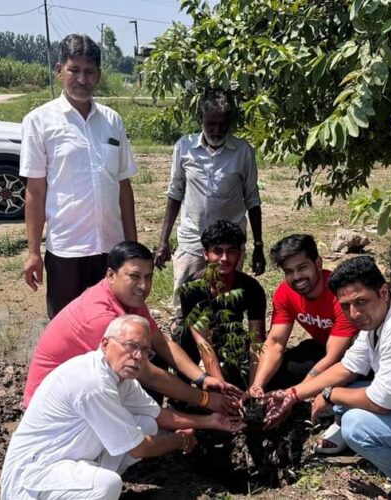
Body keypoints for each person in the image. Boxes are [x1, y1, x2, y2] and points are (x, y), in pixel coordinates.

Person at [265, 256, 391, 499]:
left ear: (383, 292)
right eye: (345, 306)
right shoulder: (379, 315)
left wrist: (330, 395)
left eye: (361, 301)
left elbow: (381, 403)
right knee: (346, 406)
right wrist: (292, 394)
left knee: (356, 426)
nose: (354, 313)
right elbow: (347, 367)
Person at [1, 315, 244, 500]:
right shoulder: (92, 382)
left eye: (145, 352)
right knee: (107, 485)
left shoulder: (122, 377)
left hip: (71, 457)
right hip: (32, 477)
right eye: (131, 346)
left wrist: (212, 421)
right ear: (106, 344)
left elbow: (161, 416)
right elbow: (139, 448)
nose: (138, 357)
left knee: (146, 424)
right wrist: (179, 441)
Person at [23, 241, 242, 417]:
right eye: (134, 276)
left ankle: (146, 424)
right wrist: (204, 399)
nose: (144, 286)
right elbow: (148, 376)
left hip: (82, 389)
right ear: (111, 275)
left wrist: (202, 378)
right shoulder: (101, 317)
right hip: (52, 406)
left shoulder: (128, 299)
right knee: (141, 370)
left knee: (149, 354)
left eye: (148, 277)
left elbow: (161, 342)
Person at [20, 34, 138, 319]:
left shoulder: (112, 121)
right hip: (67, 251)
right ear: (59, 70)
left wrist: (132, 247)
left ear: (98, 75)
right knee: (68, 326)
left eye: (89, 72)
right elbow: (35, 191)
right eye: (74, 70)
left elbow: (124, 187)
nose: (82, 80)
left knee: (113, 326)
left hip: (111, 250)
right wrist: (33, 252)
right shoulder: (39, 121)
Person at [155, 87, 265, 304]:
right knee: (185, 302)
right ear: (201, 119)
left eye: (223, 124)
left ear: (230, 122)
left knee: (226, 302)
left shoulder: (243, 151)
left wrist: (258, 246)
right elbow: (175, 193)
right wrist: (163, 241)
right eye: (211, 123)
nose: (216, 130)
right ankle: (183, 337)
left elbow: (252, 200)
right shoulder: (184, 147)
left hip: (229, 244)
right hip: (193, 239)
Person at [249, 234, 358, 396]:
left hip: (357, 355)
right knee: (278, 370)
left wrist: (293, 394)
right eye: (289, 271)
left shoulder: (341, 293)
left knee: (342, 389)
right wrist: (257, 385)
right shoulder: (285, 293)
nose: (297, 277)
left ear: (318, 263)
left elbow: (334, 356)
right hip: (322, 347)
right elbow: (275, 342)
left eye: (302, 268)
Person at [177, 220, 267, 389]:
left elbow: (257, 341)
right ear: (206, 254)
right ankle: (183, 389)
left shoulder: (252, 289)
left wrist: (255, 386)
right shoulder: (191, 289)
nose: (224, 259)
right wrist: (221, 387)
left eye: (231, 251)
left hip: (231, 336)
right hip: (199, 339)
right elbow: (203, 342)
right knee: (184, 335)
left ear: (240, 254)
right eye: (217, 251)